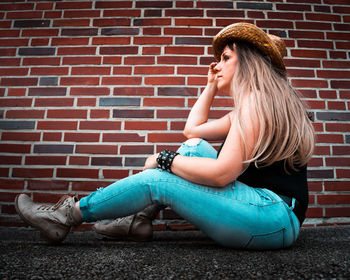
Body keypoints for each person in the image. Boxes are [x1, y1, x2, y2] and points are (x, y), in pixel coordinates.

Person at [15, 22, 315, 249]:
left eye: (225, 58)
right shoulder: (260, 105)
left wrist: (163, 159)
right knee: (194, 147)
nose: (218, 65)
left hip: (272, 217)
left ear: (248, 62)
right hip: (270, 215)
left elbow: (222, 174)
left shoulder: (255, 103)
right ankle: (138, 220)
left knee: (157, 178)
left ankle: (64, 216)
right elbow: (192, 131)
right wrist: (210, 85)